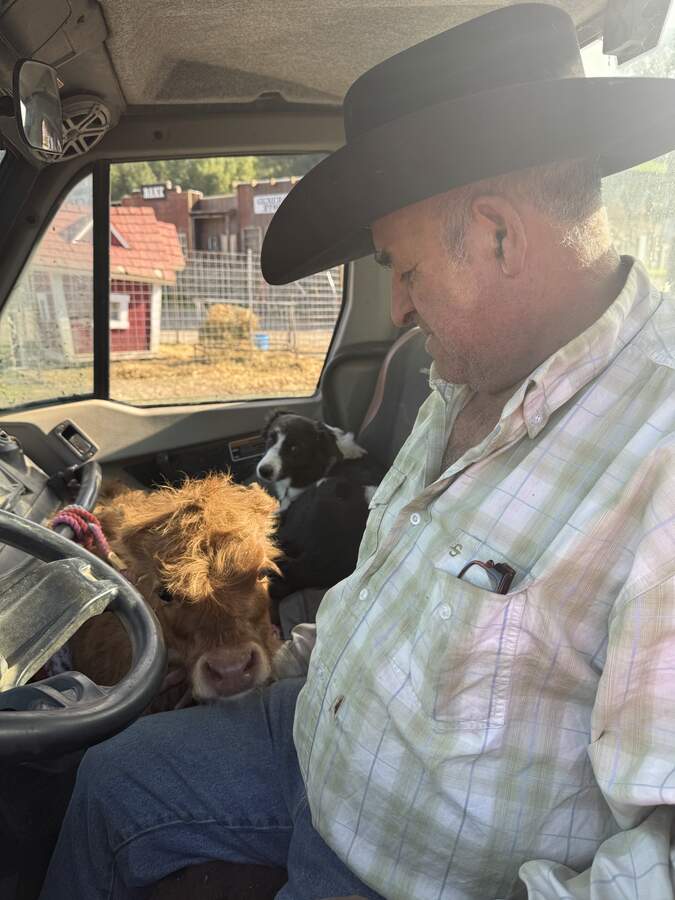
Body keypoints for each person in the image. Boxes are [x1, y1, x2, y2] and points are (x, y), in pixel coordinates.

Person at [41, 4, 675, 899]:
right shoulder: (464, 379)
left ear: (498, 232)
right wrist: (300, 660)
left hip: (406, 869)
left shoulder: (659, 457)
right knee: (115, 779)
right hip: (311, 737)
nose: (400, 314)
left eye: (402, 271)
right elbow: (397, 595)